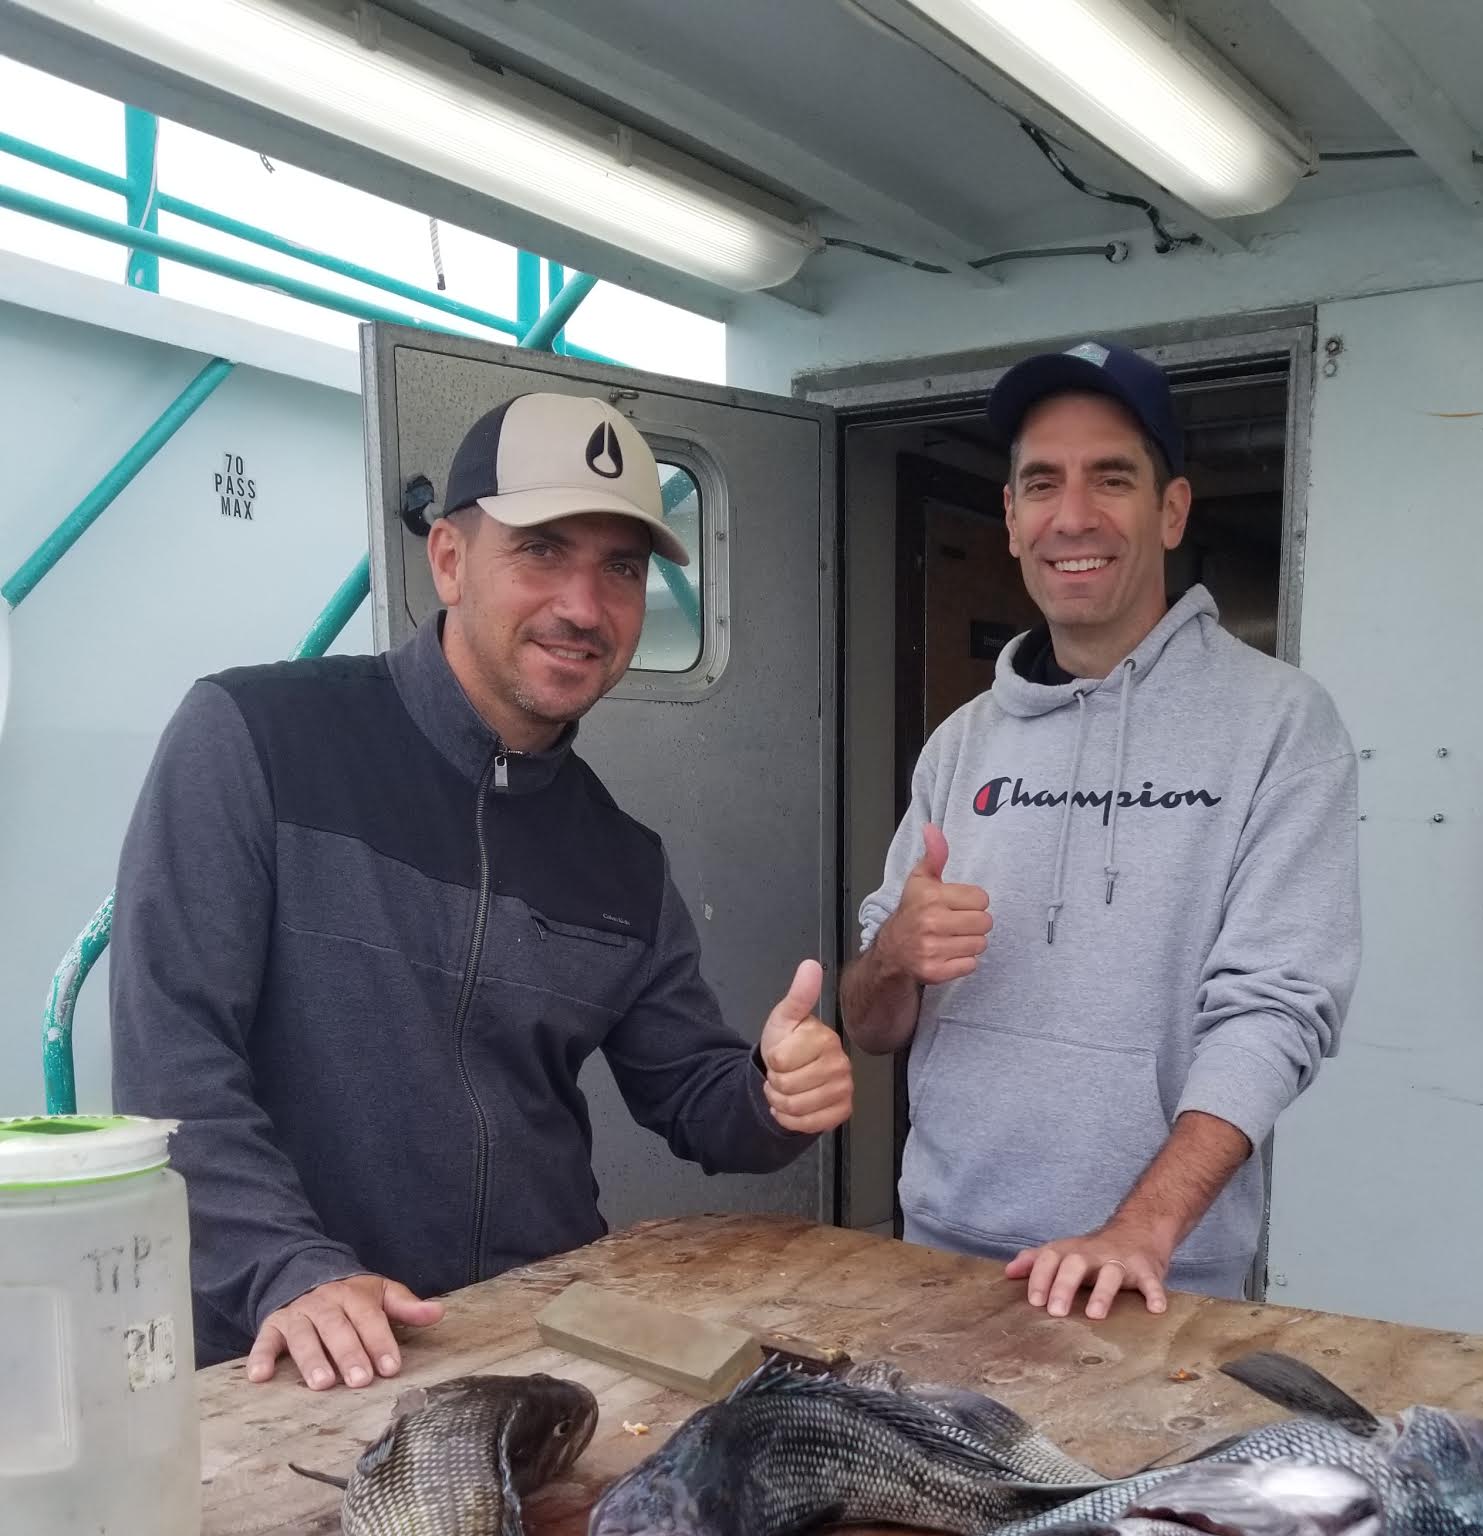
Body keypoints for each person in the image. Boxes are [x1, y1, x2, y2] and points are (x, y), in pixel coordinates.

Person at [112, 390, 852, 1389]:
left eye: (620, 568)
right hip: (290, 1352)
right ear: (450, 559)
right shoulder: (252, 739)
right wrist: (290, 1268)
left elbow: (692, 1094)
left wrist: (774, 1093)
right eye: (541, 550)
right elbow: (172, 1069)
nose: (582, 606)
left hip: (532, 1346)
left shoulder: (620, 856)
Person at [842, 339, 1357, 1321]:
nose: (1071, 515)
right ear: (1010, 518)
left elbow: (1274, 1011)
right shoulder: (960, 742)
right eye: (1042, 483)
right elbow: (872, 1027)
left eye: (1110, 478)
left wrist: (1141, 1229)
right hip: (942, 1256)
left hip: (1154, 1278)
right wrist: (893, 958)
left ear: (1171, 510)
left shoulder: (1278, 724)